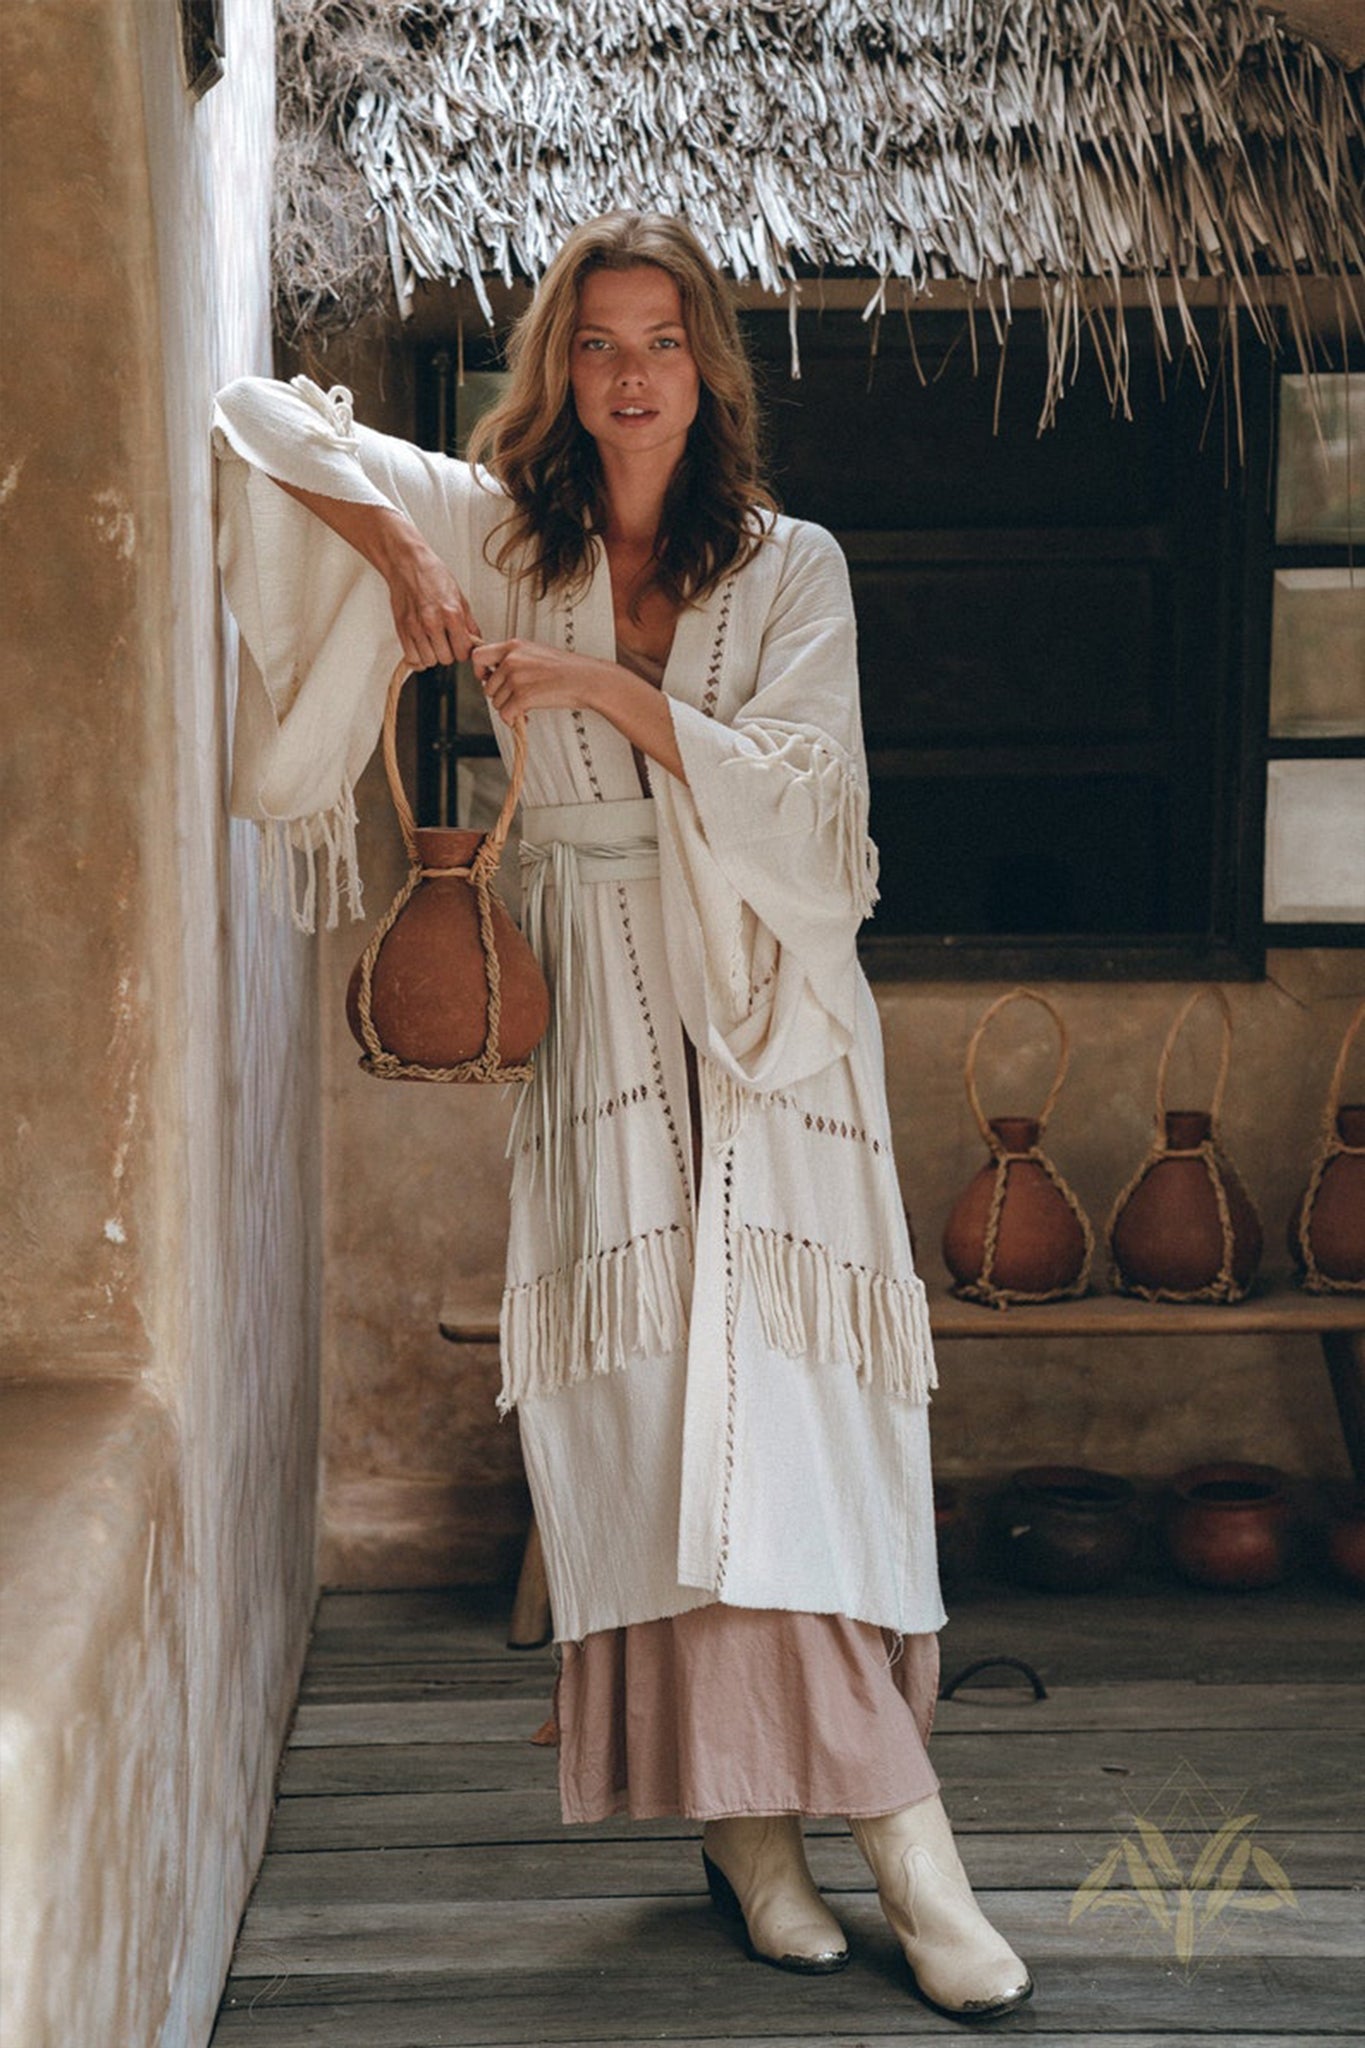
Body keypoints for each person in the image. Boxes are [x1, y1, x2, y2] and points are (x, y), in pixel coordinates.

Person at [212, 211, 1033, 2022]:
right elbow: (255, 423)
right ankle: (746, 1839)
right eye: (594, 344)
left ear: (706, 367)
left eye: (660, 341)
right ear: (558, 369)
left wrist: (601, 690)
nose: (629, 374)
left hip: (775, 1037)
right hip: (605, 1042)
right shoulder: (512, 540)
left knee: (796, 1431)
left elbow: (815, 818)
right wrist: (406, 576)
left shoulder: (792, 566)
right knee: (658, 1424)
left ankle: (908, 1846)